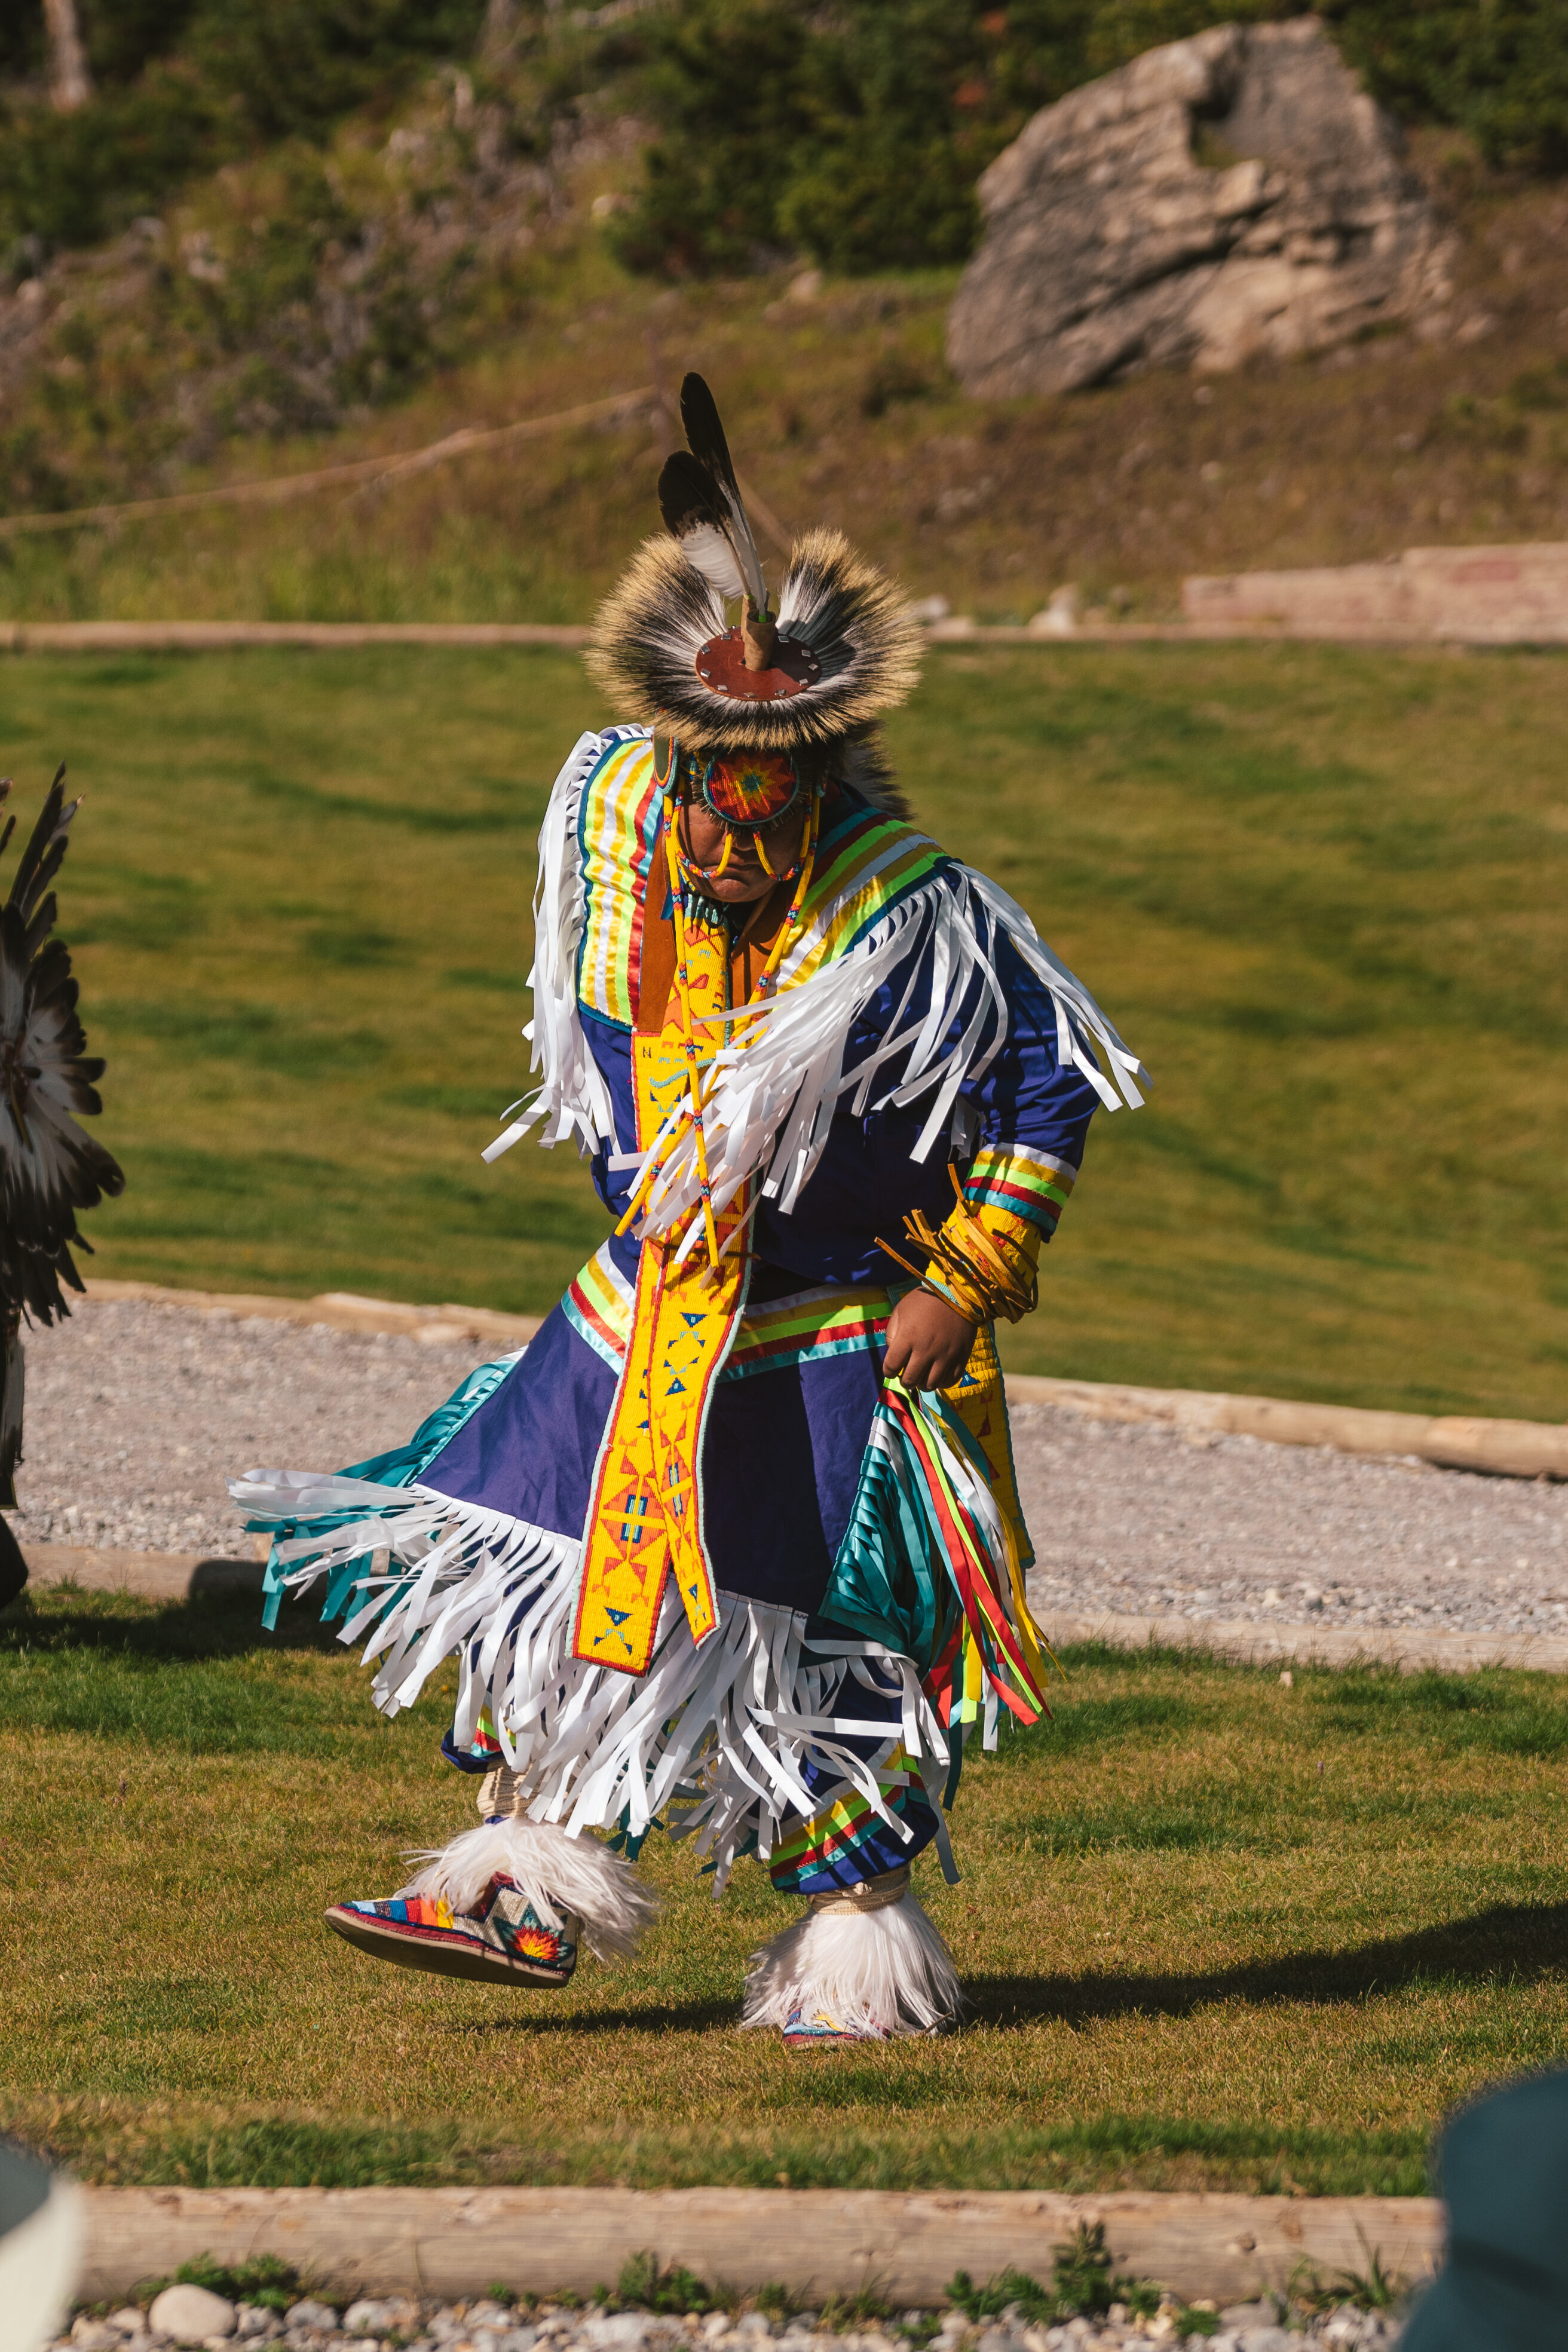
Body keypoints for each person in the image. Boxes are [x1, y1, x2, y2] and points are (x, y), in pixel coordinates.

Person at [233, 375, 1144, 2046]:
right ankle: (520, 1883)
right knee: (550, 1552)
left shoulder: (912, 919)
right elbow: (606, 1034)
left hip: (831, 1330)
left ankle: (850, 1958)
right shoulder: (618, 834)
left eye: (759, 811)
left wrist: (964, 1277)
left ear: (815, 786)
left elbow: (1047, 1095)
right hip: (650, 1309)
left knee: (827, 1635)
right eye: (704, 801)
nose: (722, 842)